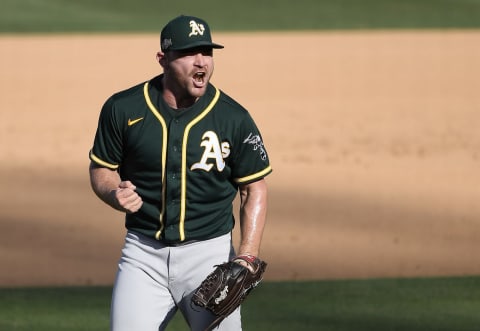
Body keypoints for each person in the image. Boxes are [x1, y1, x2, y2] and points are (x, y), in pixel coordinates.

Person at [88, 15, 272, 331]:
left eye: (207, 52)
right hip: (143, 256)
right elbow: (102, 167)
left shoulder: (233, 117)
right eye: (189, 53)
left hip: (210, 259)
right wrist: (112, 192)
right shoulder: (123, 108)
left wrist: (247, 257)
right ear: (163, 59)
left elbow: (254, 187)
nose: (201, 62)